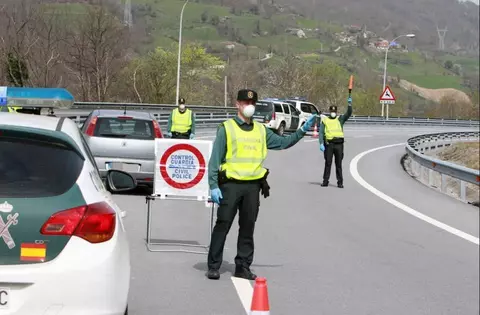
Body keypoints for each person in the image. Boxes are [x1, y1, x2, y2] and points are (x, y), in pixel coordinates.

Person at [206, 88, 317, 280]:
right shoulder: (226, 128)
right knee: (222, 225)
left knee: (248, 227)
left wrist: (302, 131)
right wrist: (213, 185)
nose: (249, 106)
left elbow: (283, 143)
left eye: (252, 103)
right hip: (230, 186)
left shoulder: (261, 130)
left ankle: (242, 266)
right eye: (245, 103)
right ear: (237, 104)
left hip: (252, 187)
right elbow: (215, 160)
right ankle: (214, 265)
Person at [318, 97, 353, 188]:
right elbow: (321, 132)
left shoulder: (340, 119)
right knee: (328, 163)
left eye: (334, 111)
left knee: (338, 164)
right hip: (329, 144)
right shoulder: (325, 120)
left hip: (339, 144)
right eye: (332, 111)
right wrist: (321, 143)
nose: (333, 112)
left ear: (336, 112)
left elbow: (348, 114)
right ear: (330, 112)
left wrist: (349, 105)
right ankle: (325, 181)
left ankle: (340, 182)